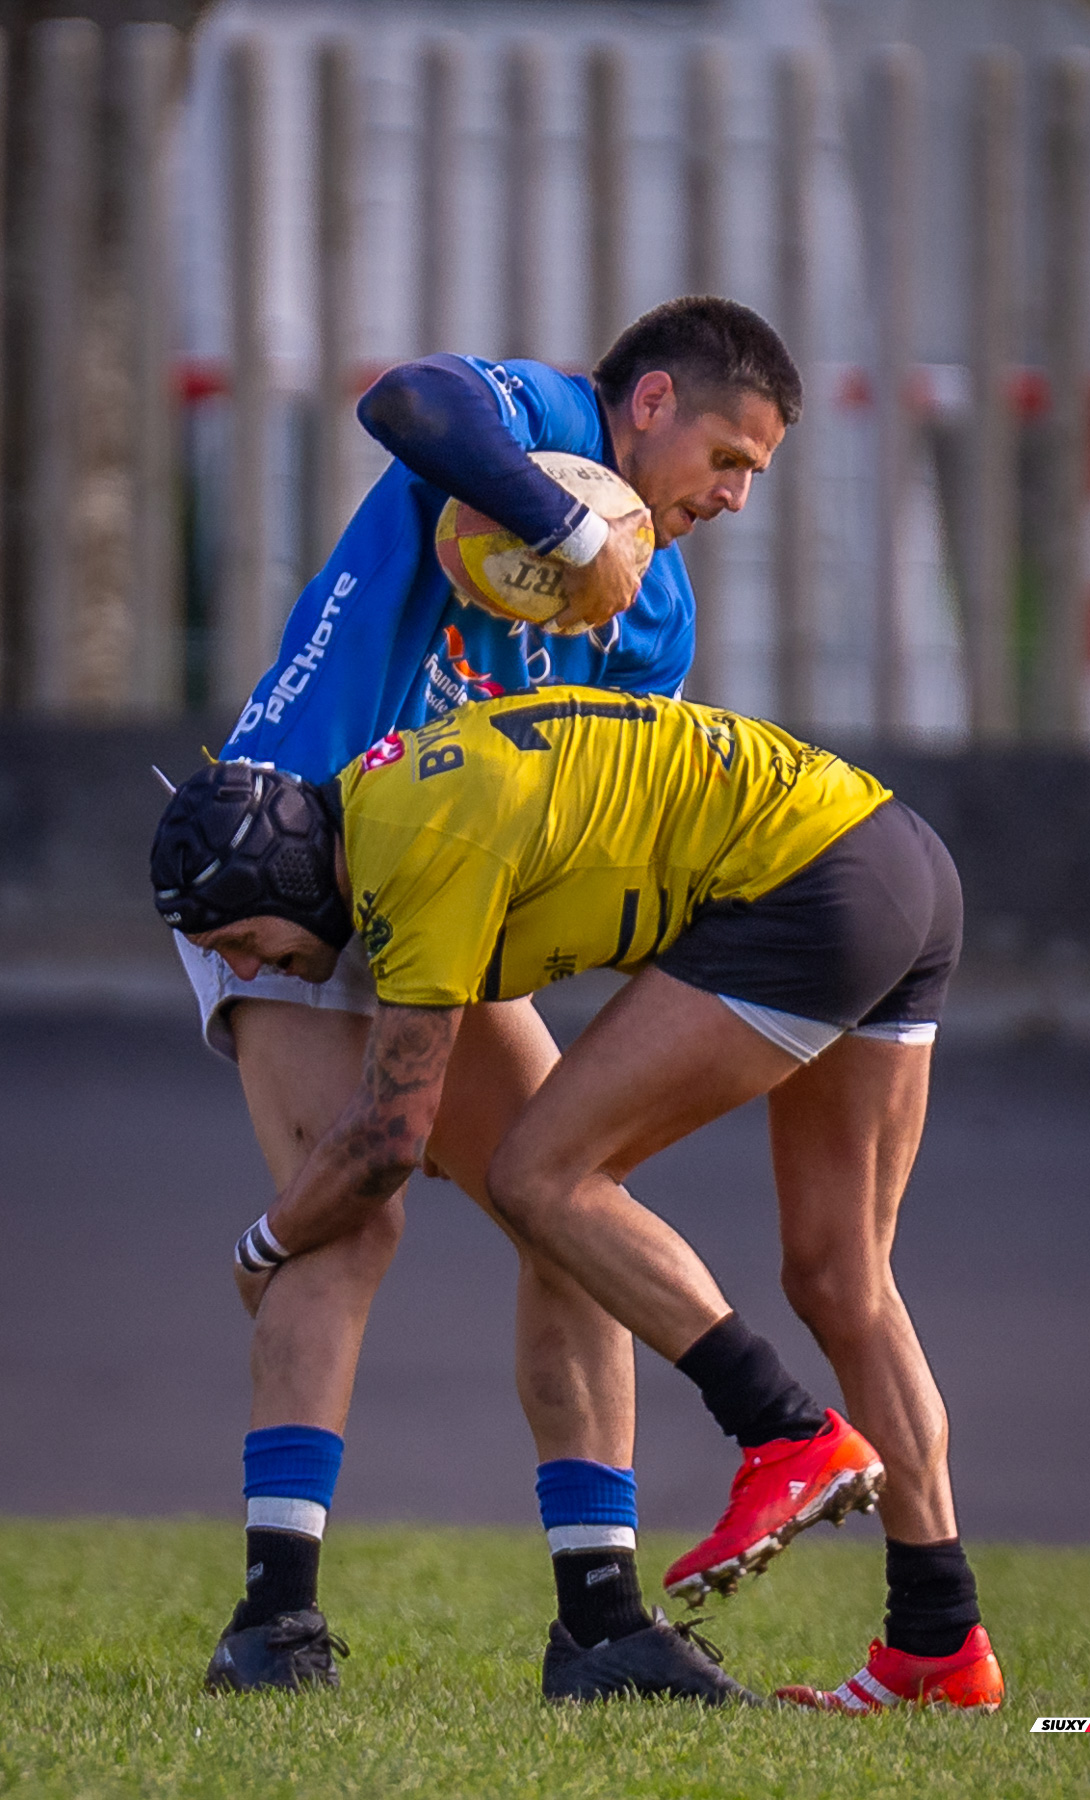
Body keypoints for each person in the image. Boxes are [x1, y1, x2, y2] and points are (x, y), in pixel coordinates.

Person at [172, 297, 803, 1694]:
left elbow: (587, 812)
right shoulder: (527, 420)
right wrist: (566, 528)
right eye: (728, 454)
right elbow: (405, 398)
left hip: (437, 904)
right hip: (285, 866)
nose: (732, 496)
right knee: (354, 1217)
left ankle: (598, 1621)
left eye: (754, 475)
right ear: (646, 403)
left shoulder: (655, 612)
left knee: (557, 1197)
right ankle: (272, 1623)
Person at [152, 687, 1005, 1714]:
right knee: (839, 1275)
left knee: (538, 1177)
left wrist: (259, 1246)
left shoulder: (398, 859)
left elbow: (388, 1140)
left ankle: (784, 1432)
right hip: (892, 855)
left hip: (808, 887)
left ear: (289, 872)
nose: (246, 969)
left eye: (241, 940)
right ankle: (937, 1638)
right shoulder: (398, 797)